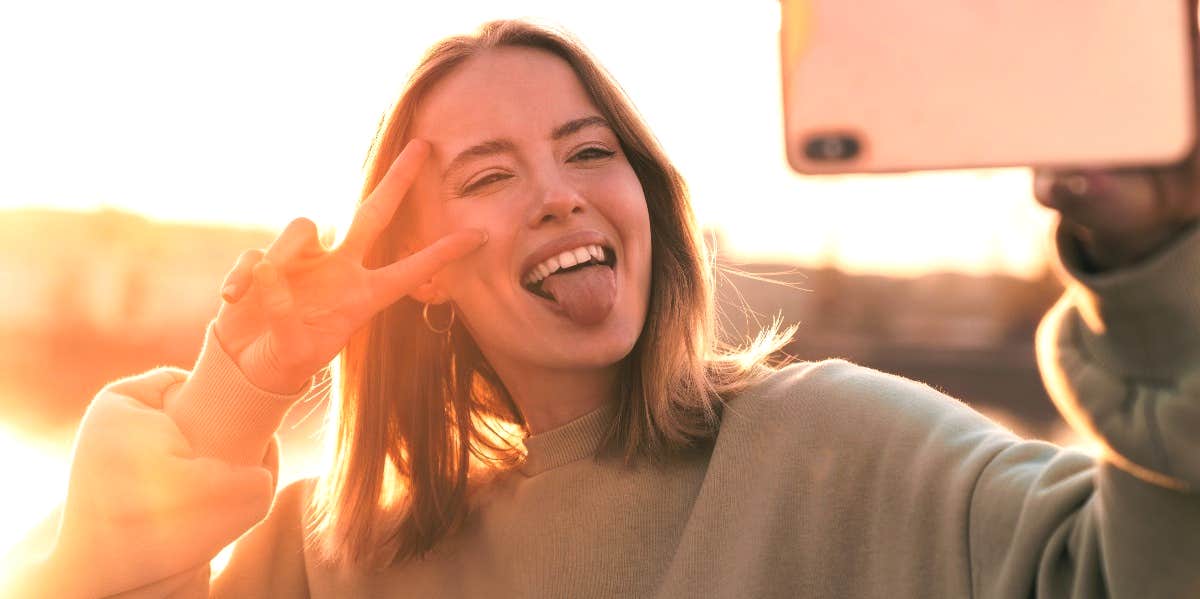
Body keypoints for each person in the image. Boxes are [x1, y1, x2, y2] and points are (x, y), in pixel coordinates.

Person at [5, 17, 1200, 598]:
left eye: (589, 151)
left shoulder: (839, 451)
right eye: (488, 176)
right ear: (418, 277)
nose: (559, 198)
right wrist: (235, 391)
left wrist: (1154, 260)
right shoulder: (329, 557)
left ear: (648, 199)